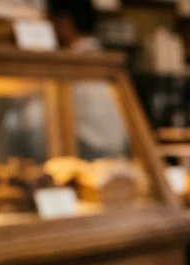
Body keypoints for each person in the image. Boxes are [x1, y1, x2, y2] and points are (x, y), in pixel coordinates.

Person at [49, 0, 129, 159]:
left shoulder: (74, 65)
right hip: (117, 157)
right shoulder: (105, 61)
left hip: (89, 157)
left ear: (63, 22)